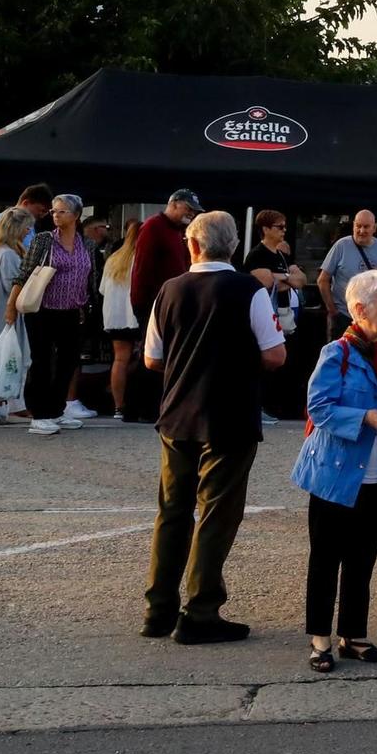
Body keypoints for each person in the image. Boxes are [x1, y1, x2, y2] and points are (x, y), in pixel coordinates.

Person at [141, 211, 286, 642]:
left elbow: (152, 357)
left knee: (172, 512)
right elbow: (276, 354)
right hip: (229, 415)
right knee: (216, 514)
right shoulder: (248, 289)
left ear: (192, 245)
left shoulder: (169, 290)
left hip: (176, 415)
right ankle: (201, 610)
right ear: (234, 246)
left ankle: (158, 609)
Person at [293, 270, 377, 671]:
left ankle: (354, 635)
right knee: (326, 558)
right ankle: (320, 640)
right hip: (336, 476)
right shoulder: (337, 353)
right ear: (360, 309)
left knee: (363, 558)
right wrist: (365, 416)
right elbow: (319, 407)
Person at [10, 193, 101, 434]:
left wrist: (89, 307)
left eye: (62, 211)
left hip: (73, 310)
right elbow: (24, 273)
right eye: (53, 211)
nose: (56, 216)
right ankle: (39, 413)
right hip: (43, 310)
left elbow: (91, 278)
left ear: (77, 216)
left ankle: (56, 409)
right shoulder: (44, 240)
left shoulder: (87, 245)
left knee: (68, 362)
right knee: (41, 360)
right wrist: (11, 307)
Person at [0, 207, 36, 424]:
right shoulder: (8, 254)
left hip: (2, 312)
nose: (28, 231)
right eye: (25, 227)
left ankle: (11, 402)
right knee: (0, 358)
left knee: (5, 358)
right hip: (6, 314)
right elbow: (13, 284)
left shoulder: (1, 251)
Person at [0, 183, 53, 331]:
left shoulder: (24, 228)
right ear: (26, 203)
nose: (42, 215)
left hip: (4, 301)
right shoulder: (4, 223)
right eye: (41, 210)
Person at [317, 212, 377, 344]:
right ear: (353, 226)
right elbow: (322, 280)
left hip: (373, 319)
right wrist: (332, 310)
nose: (361, 231)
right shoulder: (341, 246)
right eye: (358, 226)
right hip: (344, 317)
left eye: (366, 227)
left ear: (374, 228)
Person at [131, 189, 201, 328]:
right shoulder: (153, 226)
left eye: (194, 211)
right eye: (188, 208)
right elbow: (142, 267)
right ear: (174, 204)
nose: (192, 214)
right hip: (156, 304)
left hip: (174, 302)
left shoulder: (179, 230)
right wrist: (142, 305)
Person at [99, 219, 145, 419]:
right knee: (144, 358)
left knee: (119, 359)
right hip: (137, 315)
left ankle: (118, 406)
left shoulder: (114, 259)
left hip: (115, 317)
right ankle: (138, 402)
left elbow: (102, 289)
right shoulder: (143, 257)